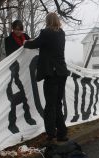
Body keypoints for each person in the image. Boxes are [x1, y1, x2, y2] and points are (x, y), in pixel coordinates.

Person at [24, 12, 70, 142]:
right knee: (57, 103)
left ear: (47, 21)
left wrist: (25, 42)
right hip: (62, 72)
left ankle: (51, 134)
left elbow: (35, 44)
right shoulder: (61, 33)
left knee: (50, 105)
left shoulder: (46, 33)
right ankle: (62, 133)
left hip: (52, 74)